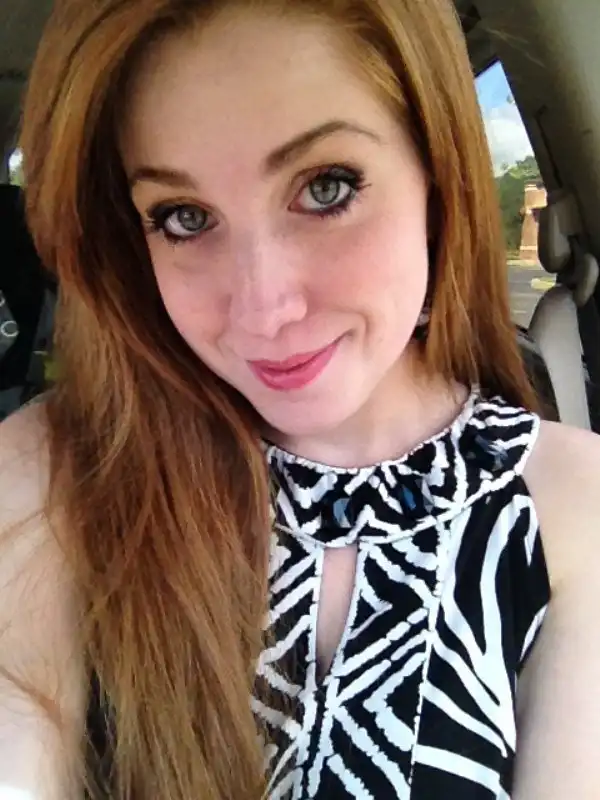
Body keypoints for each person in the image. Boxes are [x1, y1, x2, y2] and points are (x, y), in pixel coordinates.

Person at [1, 0, 599, 797]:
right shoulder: (54, 474)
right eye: (184, 218)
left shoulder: (575, 507)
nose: (264, 310)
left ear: (436, 173)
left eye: (326, 188)